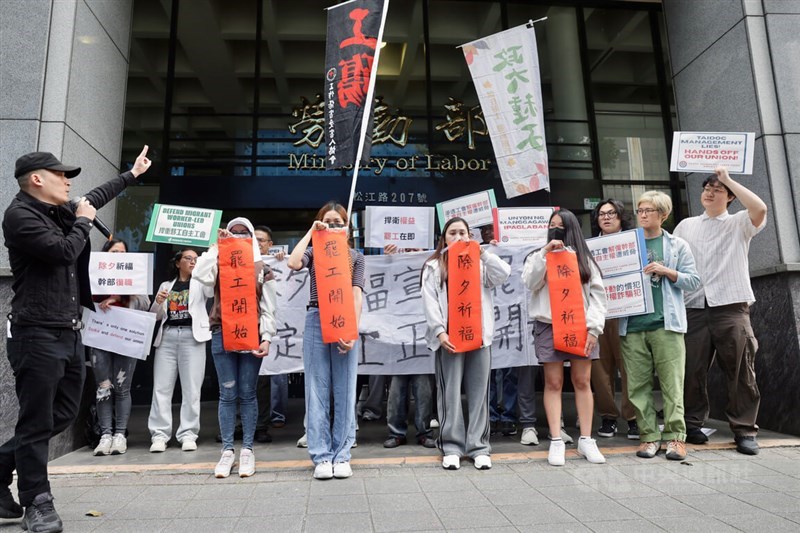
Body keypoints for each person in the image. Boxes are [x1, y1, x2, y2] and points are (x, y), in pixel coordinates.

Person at [1, 146, 151, 532]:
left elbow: (94, 197)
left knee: (63, 415)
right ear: (37, 179)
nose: (69, 181)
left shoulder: (59, 210)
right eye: (61, 174)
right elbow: (63, 252)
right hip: (35, 332)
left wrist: (131, 174)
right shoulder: (20, 216)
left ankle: (0, 466)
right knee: (35, 423)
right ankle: (38, 502)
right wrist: (84, 222)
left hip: (69, 330)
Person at [674, 167, 767, 455]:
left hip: (731, 305)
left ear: (729, 197)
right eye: (707, 188)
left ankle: (745, 430)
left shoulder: (740, 222)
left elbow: (760, 207)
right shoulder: (685, 226)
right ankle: (691, 424)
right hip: (693, 307)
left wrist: (728, 179)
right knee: (691, 369)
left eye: (717, 190)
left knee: (741, 371)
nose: (709, 192)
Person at [422, 217, 511, 471]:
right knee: (449, 392)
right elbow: (429, 302)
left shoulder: (480, 265)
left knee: (479, 393)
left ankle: (479, 447)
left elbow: (503, 274)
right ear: (444, 238)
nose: (459, 237)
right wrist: (440, 333)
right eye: (453, 233)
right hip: (449, 340)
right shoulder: (434, 266)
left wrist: (482, 252)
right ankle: (451, 446)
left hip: (479, 339)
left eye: (464, 233)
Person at [619, 192, 701, 461]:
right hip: (632, 324)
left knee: (672, 385)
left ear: (663, 214)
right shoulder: (626, 244)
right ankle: (648, 437)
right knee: (637, 386)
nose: (642, 214)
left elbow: (693, 281)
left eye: (649, 210)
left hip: (666, 323)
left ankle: (676, 438)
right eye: (640, 209)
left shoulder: (677, 245)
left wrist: (667, 271)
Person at [522, 209, 607, 467]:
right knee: (553, 382)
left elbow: (598, 296)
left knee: (582, 381)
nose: (555, 230)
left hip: (580, 326)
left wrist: (593, 329)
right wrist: (546, 252)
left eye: (561, 226)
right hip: (549, 325)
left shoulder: (584, 259)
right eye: (552, 226)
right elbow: (530, 282)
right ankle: (556, 440)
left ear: (571, 229)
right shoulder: (538, 256)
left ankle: (586, 439)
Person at [194, 218, 277, 478]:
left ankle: (247, 450)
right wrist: (218, 246)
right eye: (233, 232)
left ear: (252, 237)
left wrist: (267, 337)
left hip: (251, 334)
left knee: (248, 393)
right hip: (222, 332)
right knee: (227, 393)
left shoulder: (263, 268)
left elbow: (269, 307)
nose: (238, 236)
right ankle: (228, 451)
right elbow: (199, 274)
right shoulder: (219, 264)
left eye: (244, 233)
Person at [287, 202, 365, 480]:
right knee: (316, 389)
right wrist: (312, 231)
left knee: (345, 389)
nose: (331, 225)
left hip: (344, 319)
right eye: (327, 221)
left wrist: (352, 331)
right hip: (316, 316)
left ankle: (342, 454)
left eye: (337, 222)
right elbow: (293, 262)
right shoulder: (312, 252)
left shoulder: (355, 256)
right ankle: (321, 456)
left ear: (346, 226)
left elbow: (357, 294)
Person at [90, 239, 151, 456]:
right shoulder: (94, 274)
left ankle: (120, 434)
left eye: (123, 252)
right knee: (103, 387)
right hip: (100, 337)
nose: (119, 256)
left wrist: (124, 294)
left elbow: (146, 304)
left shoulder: (135, 276)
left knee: (122, 387)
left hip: (126, 338)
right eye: (114, 252)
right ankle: (105, 435)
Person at [148, 247, 212, 453]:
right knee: (161, 388)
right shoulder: (166, 285)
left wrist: (208, 257)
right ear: (178, 263)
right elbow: (155, 316)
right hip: (167, 336)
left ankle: (188, 433)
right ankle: (159, 435)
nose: (192, 262)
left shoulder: (201, 283)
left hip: (192, 337)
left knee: (192, 389)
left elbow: (212, 289)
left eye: (195, 259)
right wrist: (157, 303)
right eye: (188, 258)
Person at [589, 199, 639, 440]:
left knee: (629, 367)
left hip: (626, 313)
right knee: (599, 369)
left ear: (621, 217)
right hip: (598, 315)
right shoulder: (588, 247)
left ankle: (632, 418)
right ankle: (608, 416)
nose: (606, 218)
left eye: (611, 213)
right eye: (601, 214)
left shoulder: (632, 243)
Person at [381, 245, 435, 450]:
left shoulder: (431, 259)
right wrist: (388, 259)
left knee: (424, 390)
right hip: (398, 337)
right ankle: (396, 432)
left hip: (422, 338)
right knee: (396, 390)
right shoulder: (392, 258)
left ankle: (424, 431)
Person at [253, 225, 286, 443]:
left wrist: (282, 260)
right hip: (248, 327)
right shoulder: (240, 263)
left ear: (270, 245)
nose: (257, 243)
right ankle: (241, 424)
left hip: (271, 328)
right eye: (254, 239)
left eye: (261, 240)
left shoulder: (275, 264)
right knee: (246, 381)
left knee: (265, 380)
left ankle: (262, 424)